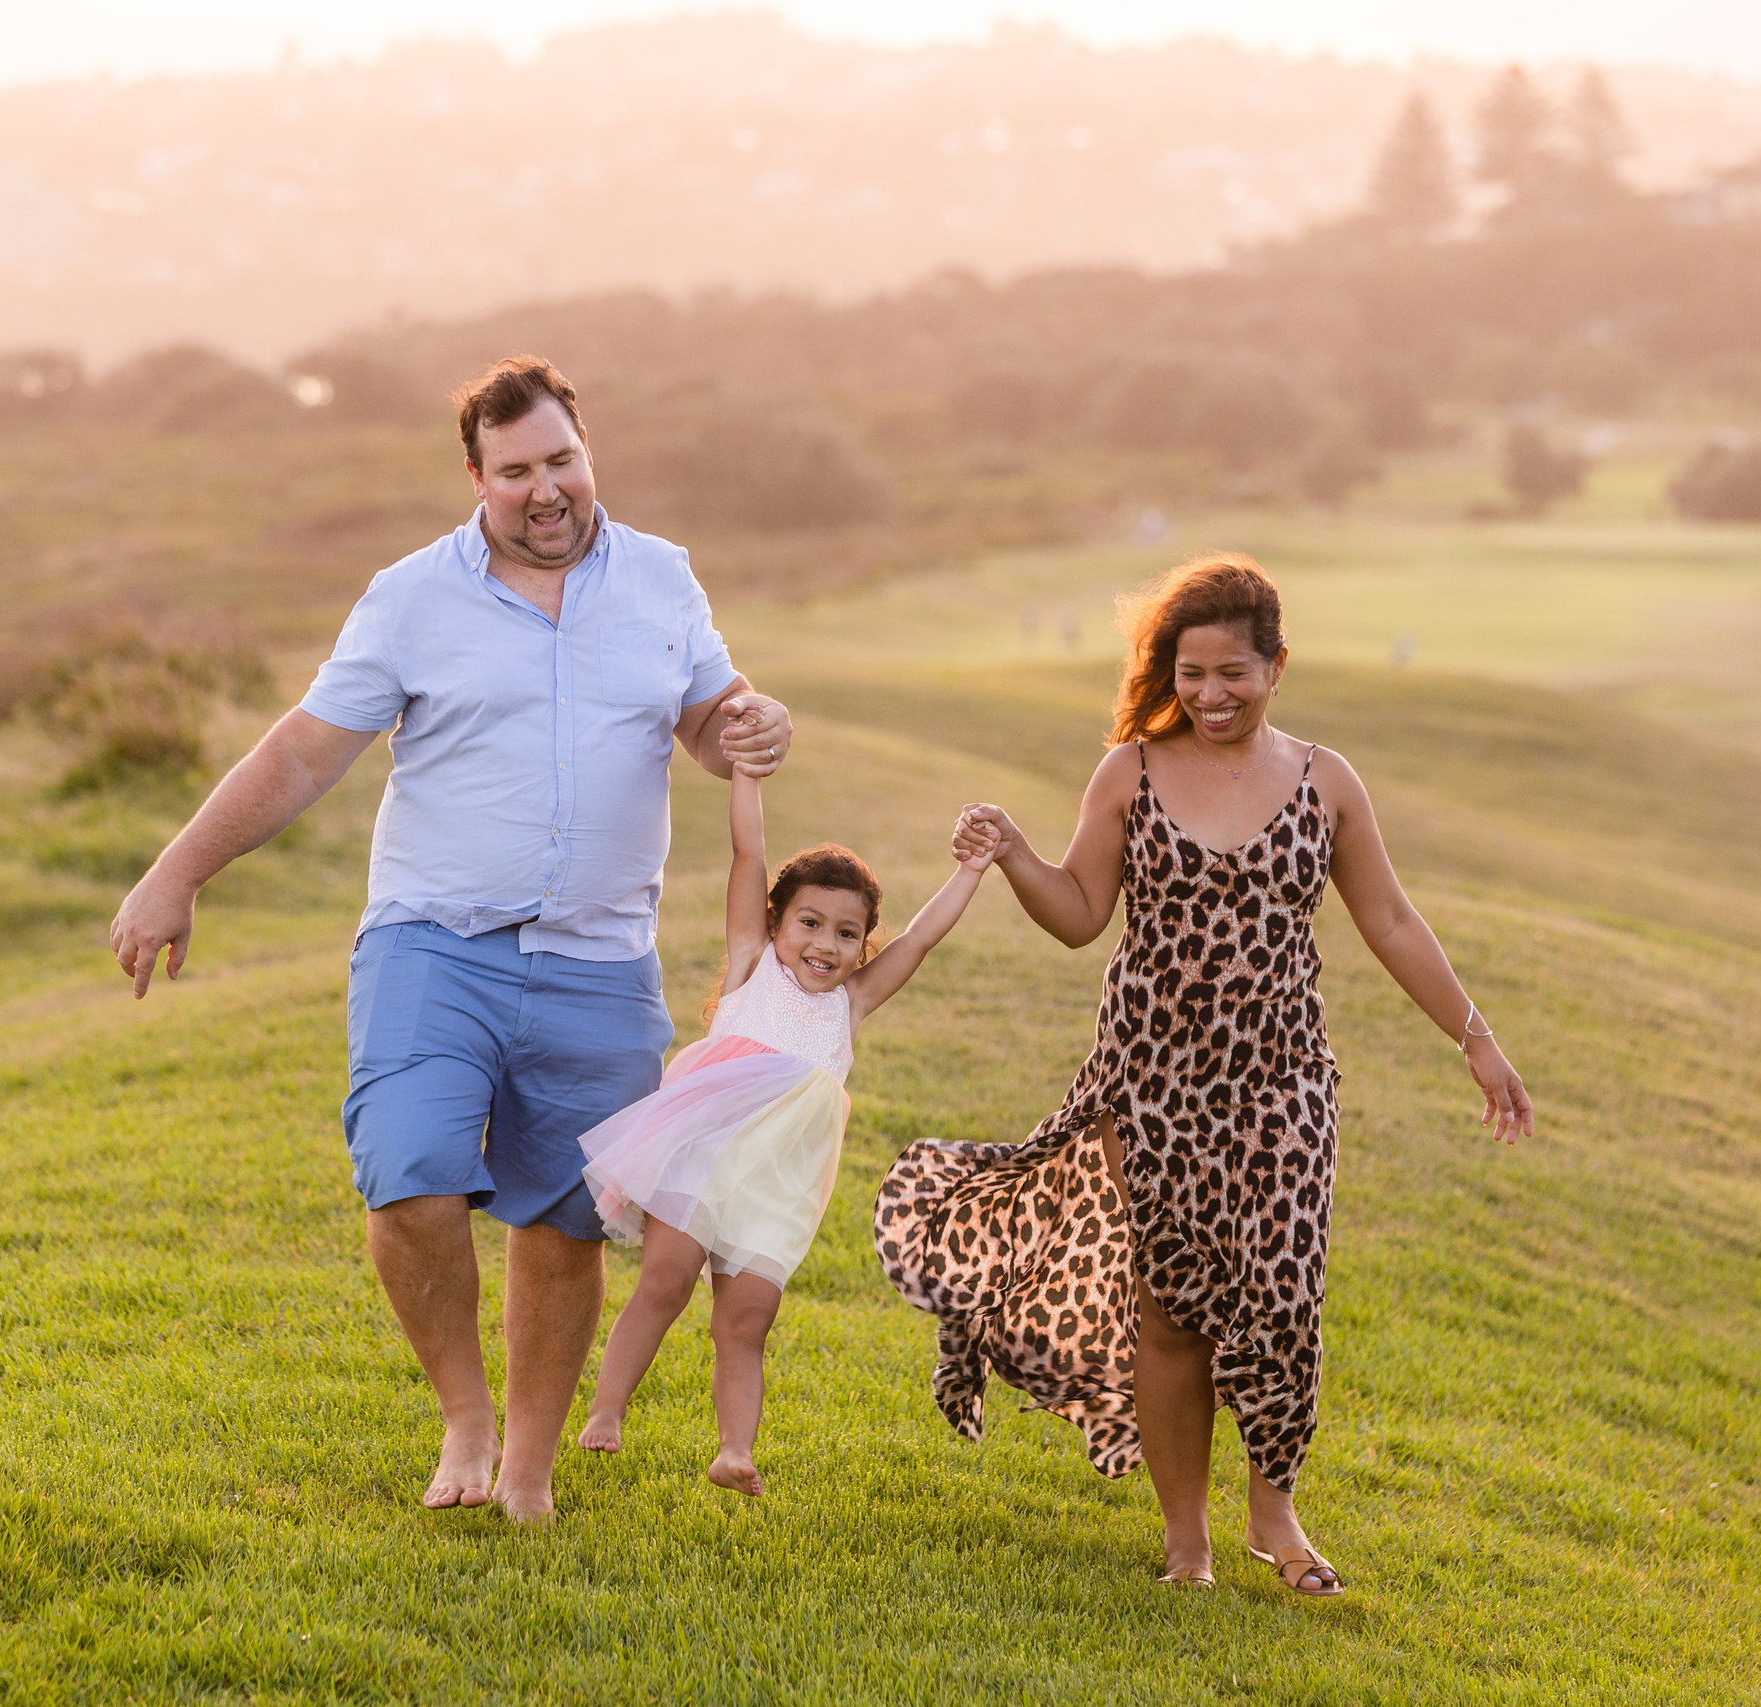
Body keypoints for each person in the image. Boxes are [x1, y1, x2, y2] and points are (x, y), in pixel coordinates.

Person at [106, 355, 792, 1522]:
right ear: (475, 477)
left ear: (588, 451)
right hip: (434, 941)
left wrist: (748, 722)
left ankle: (526, 1460)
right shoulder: (410, 597)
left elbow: (706, 724)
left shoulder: (664, 579)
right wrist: (178, 873)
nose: (544, 489)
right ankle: (463, 1413)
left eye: (561, 460)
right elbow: (303, 754)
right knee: (408, 1181)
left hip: (598, 958)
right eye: (514, 469)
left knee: (568, 1218)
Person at [875, 552, 1533, 1591]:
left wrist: (1476, 1038)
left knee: (1279, 1299)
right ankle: (1188, 1539)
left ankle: (1273, 1509)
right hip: (1152, 1090)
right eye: (1189, 674)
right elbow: (1081, 917)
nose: (1210, 696)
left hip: (1282, 1089)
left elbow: (1393, 922)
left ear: (1277, 667)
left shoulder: (1325, 781)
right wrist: (1010, 854)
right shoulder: (1130, 771)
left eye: (1233, 673)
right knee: (1173, 1313)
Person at [572, 743, 998, 1494]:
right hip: (704, 1147)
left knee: (748, 1318)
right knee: (667, 1280)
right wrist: (746, 774)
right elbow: (749, 851)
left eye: (845, 932)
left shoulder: (850, 1003)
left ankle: (735, 1450)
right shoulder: (752, 961)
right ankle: (606, 1411)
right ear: (776, 922)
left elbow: (922, 938)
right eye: (809, 921)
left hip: (778, 1182)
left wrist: (970, 869)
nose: (825, 944)